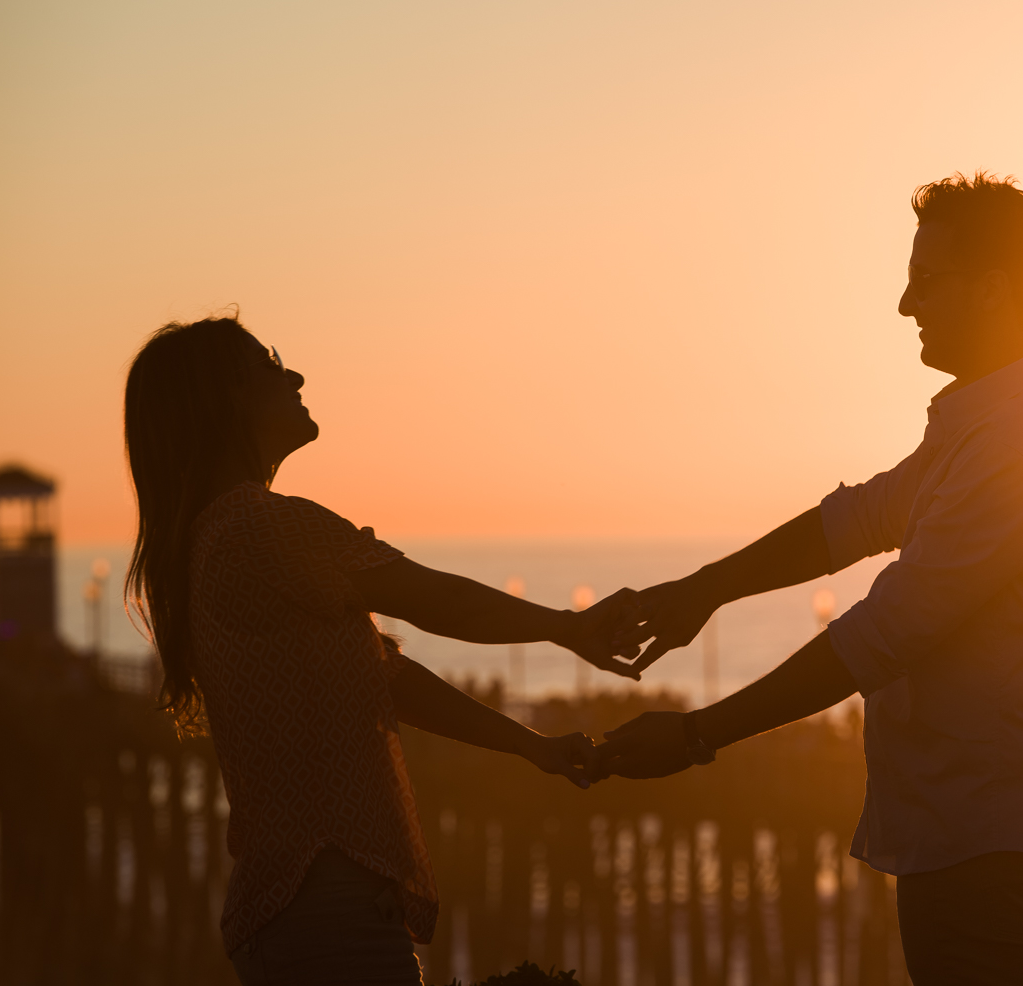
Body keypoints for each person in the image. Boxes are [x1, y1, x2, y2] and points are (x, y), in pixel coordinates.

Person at [599, 172, 1023, 986]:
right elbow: (853, 521)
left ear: (992, 290)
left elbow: (886, 633)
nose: (907, 304)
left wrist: (699, 737)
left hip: (991, 841)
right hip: (996, 831)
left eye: (926, 280)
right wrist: (701, 591)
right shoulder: (996, 417)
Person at [122, 316, 638, 986]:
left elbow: (386, 679)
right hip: (325, 911)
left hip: (310, 913)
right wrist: (569, 628)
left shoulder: (219, 542)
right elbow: (435, 600)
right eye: (270, 363)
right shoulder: (260, 528)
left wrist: (529, 745)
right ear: (226, 398)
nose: (296, 375)